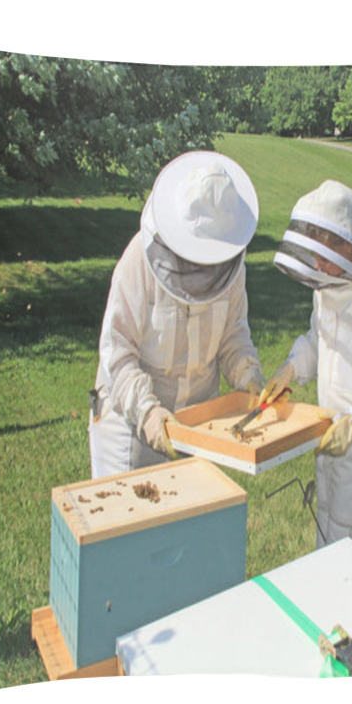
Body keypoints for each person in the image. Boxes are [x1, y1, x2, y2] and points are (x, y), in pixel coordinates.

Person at [89, 151, 265, 478]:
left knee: (190, 522)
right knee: (126, 524)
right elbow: (117, 353)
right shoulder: (137, 262)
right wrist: (149, 413)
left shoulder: (231, 269)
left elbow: (233, 335)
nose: (206, 266)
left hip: (200, 421)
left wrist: (248, 374)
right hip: (129, 424)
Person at [260, 180, 352, 554]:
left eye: (324, 253)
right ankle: (327, 605)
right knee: (325, 517)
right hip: (327, 430)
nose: (318, 265)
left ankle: (349, 607)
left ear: (348, 245)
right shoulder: (325, 290)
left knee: (348, 536)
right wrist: (291, 369)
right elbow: (317, 342)